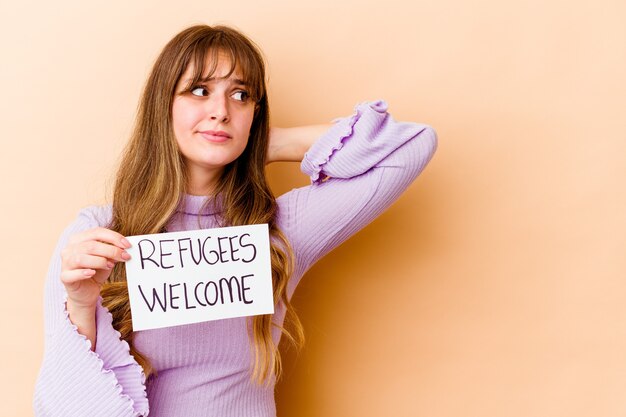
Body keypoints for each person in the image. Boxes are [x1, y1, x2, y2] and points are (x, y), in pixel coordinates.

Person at [33, 24, 438, 417]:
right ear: (163, 106)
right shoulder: (100, 234)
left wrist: (266, 141)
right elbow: (63, 402)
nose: (221, 112)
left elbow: (413, 144)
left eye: (240, 96)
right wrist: (82, 305)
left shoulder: (280, 230)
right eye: (199, 90)